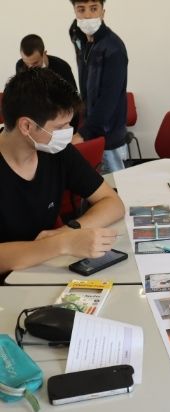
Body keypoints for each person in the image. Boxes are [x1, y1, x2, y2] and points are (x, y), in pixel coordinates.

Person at [0, 68, 125, 280]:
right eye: (60, 126)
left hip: (45, 271)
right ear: (27, 126)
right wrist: (62, 244)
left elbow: (112, 202)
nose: (68, 132)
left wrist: (70, 230)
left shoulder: (56, 151)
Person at [69, 0, 129, 173]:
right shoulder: (80, 39)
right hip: (91, 126)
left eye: (94, 9)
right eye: (81, 9)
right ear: (75, 12)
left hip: (109, 133)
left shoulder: (113, 48)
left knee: (116, 185)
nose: (87, 15)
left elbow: (109, 99)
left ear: (103, 12)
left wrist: (83, 133)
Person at [16, 34, 79, 130]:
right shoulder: (21, 66)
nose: (30, 67)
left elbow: (73, 102)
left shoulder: (62, 67)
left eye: (35, 63)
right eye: (26, 63)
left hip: (62, 119)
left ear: (44, 54)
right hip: (36, 120)